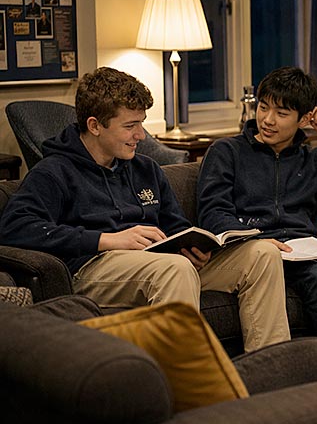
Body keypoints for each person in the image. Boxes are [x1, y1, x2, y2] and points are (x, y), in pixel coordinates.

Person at [0, 67, 290, 352]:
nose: (141, 135)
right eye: (130, 126)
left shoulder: (145, 168)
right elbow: (14, 226)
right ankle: (189, 391)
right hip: (93, 266)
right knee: (174, 269)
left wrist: (189, 246)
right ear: (94, 125)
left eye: (141, 123)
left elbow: (175, 224)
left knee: (262, 254)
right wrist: (106, 240)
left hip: (159, 261)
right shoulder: (54, 171)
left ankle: (270, 368)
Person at [196, 66, 317, 370]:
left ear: (304, 119)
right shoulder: (227, 152)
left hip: (306, 246)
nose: (268, 120)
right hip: (255, 251)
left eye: (281, 113)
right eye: (263, 107)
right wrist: (258, 240)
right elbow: (213, 212)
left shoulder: (314, 161)